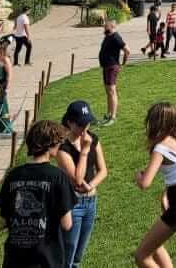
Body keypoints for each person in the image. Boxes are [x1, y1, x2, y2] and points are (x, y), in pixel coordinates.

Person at [134, 101, 176, 268]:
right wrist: (167, 192)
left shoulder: (161, 148)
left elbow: (145, 183)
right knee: (155, 247)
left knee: (141, 255)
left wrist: (138, 176)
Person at [0, 119, 74, 268]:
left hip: (15, 259)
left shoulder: (13, 175)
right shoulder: (57, 176)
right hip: (46, 258)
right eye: (59, 142)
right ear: (52, 144)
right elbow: (67, 224)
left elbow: (3, 221)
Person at [56, 101, 108, 268]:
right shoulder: (63, 148)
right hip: (73, 205)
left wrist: (91, 186)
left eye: (88, 122)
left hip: (91, 202)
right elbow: (77, 180)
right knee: (68, 255)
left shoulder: (93, 139)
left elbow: (103, 170)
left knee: (79, 255)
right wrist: (84, 151)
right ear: (70, 123)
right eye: (81, 124)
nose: (85, 127)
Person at [98, 19, 129, 125]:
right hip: (106, 66)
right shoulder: (108, 36)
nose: (104, 27)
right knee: (108, 92)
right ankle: (108, 114)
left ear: (111, 26)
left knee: (112, 91)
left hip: (112, 66)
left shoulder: (116, 37)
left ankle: (113, 117)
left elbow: (127, 50)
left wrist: (123, 63)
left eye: (106, 26)